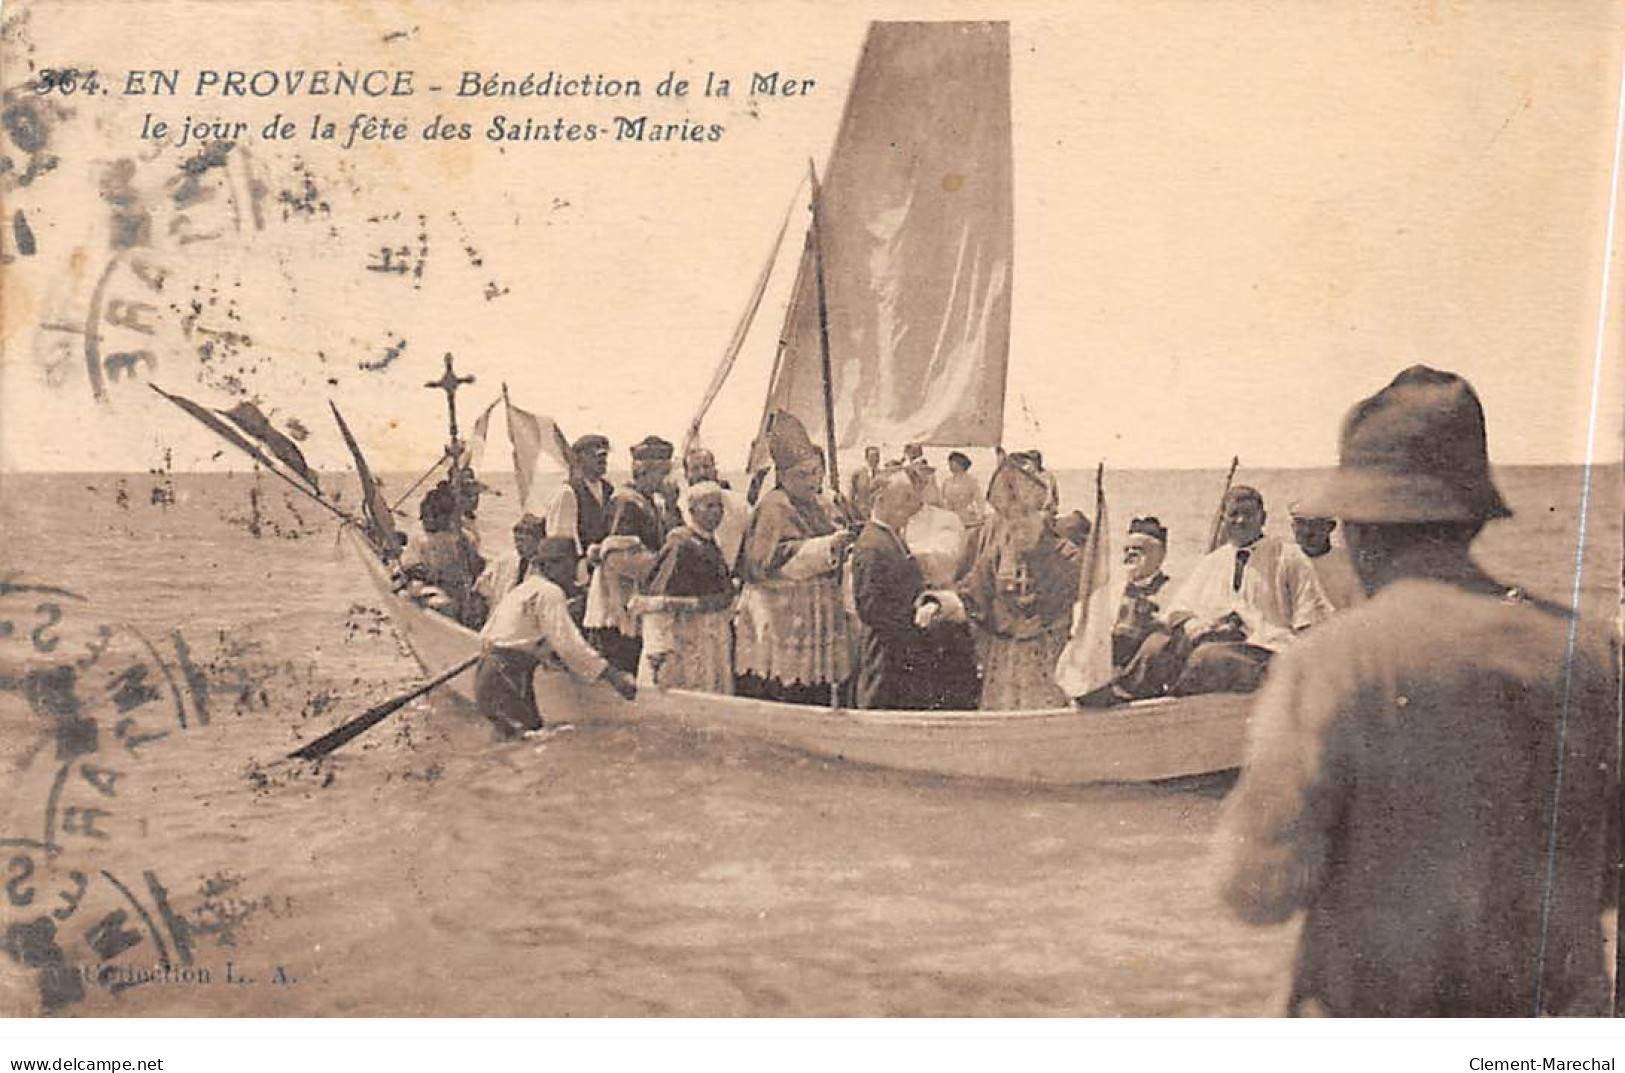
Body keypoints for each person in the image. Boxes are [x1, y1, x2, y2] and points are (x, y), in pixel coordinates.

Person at [1215, 365, 1618, 1016]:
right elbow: (1608, 874)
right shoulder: (1588, 653)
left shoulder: (1328, 663)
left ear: (1356, 527)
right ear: (1470, 520)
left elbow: (1254, 887)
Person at [1120, 485, 1333, 696]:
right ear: (1223, 520)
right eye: (1234, 514)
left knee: (1208, 657)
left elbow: (1311, 620)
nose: (1240, 521)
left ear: (1263, 518)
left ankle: (1174, 702)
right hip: (1219, 647)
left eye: (1248, 514)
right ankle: (1124, 695)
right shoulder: (1213, 561)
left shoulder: (1288, 556)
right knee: (1158, 644)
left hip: (1270, 653)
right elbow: (1178, 610)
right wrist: (1199, 626)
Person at [734, 412, 857, 705]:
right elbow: (767, 563)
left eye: (815, 472)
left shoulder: (822, 503)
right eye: (802, 475)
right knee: (786, 686)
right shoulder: (774, 506)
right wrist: (826, 547)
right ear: (783, 476)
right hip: (782, 613)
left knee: (818, 687)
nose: (812, 481)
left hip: (816, 610)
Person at [476, 535, 637, 739]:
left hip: (491, 672)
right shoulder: (550, 593)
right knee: (526, 743)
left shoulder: (525, 589)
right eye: (570, 565)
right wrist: (613, 676)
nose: (573, 572)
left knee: (522, 737)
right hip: (507, 675)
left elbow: (505, 634)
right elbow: (568, 645)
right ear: (551, 565)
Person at [954, 455, 1078, 710]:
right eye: (1009, 515)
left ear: (1044, 514)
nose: (1017, 522)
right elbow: (972, 591)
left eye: (1025, 513)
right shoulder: (999, 551)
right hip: (1003, 664)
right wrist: (936, 604)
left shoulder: (1068, 555)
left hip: (1047, 661)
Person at [852, 469, 978, 709]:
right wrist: (913, 617)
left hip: (899, 649)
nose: (913, 506)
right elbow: (869, 607)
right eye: (905, 498)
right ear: (881, 501)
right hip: (885, 654)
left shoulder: (890, 537)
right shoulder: (872, 545)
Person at [585, 435, 681, 674]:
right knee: (622, 658)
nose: (668, 479)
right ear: (647, 472)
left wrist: (671, 506)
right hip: (621, 599)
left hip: (638, 594)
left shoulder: (651, 502)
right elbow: (617, 556)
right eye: (663, 473)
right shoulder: (626, 501)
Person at [632, 481, 736, 693]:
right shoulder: (681, 544)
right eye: (709, 506)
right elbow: (658, 602)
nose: (716, 512)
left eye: (719, 506)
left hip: (710, 634)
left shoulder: (709, 543)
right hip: (686, 635)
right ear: (692, 511)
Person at [401, 483, 486, 628]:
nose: (429, 521)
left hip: (459, 590)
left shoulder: (462, 537)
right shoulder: (420, 538)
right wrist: (435, 575)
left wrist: (466, 550)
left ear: (448, 517)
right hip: (431, 588)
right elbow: (410, 566)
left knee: (479, 609)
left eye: (435, 516)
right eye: (425, 517)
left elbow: (476, 568)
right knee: (445, 606)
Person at [543, 434, 615, 575]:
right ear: (580, 459)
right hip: (580, 569)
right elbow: (561, 539)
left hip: (604, 567)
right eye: (595, 455)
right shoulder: (568, 492)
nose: (602, 460)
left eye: (604, 456)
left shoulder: (609, 490)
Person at [1111, 517, 1172, 668]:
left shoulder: (1173, 590)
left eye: (1139, 550)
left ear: (1160, 555)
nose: (1130, 554)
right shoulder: (1113, 589)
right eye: (1127, 550)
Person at [679, 445, 749, 570]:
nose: (702, 473)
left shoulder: (739, 504)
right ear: (686, 475)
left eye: (706, 467)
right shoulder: (678, 507)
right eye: (695, 469)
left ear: (715, 470)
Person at [1288, 502, 1363, 610]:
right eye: (1301, 523)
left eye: (1316, 524)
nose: (1307, 531)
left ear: (1331, 526)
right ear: (1292, 526)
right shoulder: (1283, 563)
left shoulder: (1348, 563)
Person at [473, 513, 547, 619]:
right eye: (518, 535)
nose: (520, 542)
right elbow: (481, 589)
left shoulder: (545, 568)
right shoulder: (503, 561)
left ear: (540, 539)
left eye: (527, 535)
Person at [941, 451, 986, 528]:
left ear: (961, 464)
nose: (950, 465)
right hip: (950, 517)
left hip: (966, 517)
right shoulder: (947, 481)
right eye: (949, 463)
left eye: (953, 462)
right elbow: (941, 499)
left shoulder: (971, 480)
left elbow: (979, 500)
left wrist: (980, 515)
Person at [849, 445, 883, 520]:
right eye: (872, 457)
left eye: (876, 457)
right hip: (862, 514)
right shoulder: (857, 474)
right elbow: (851, 497)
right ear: (866, 458)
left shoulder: (883, 475)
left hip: (879, 514)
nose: (874, 459)